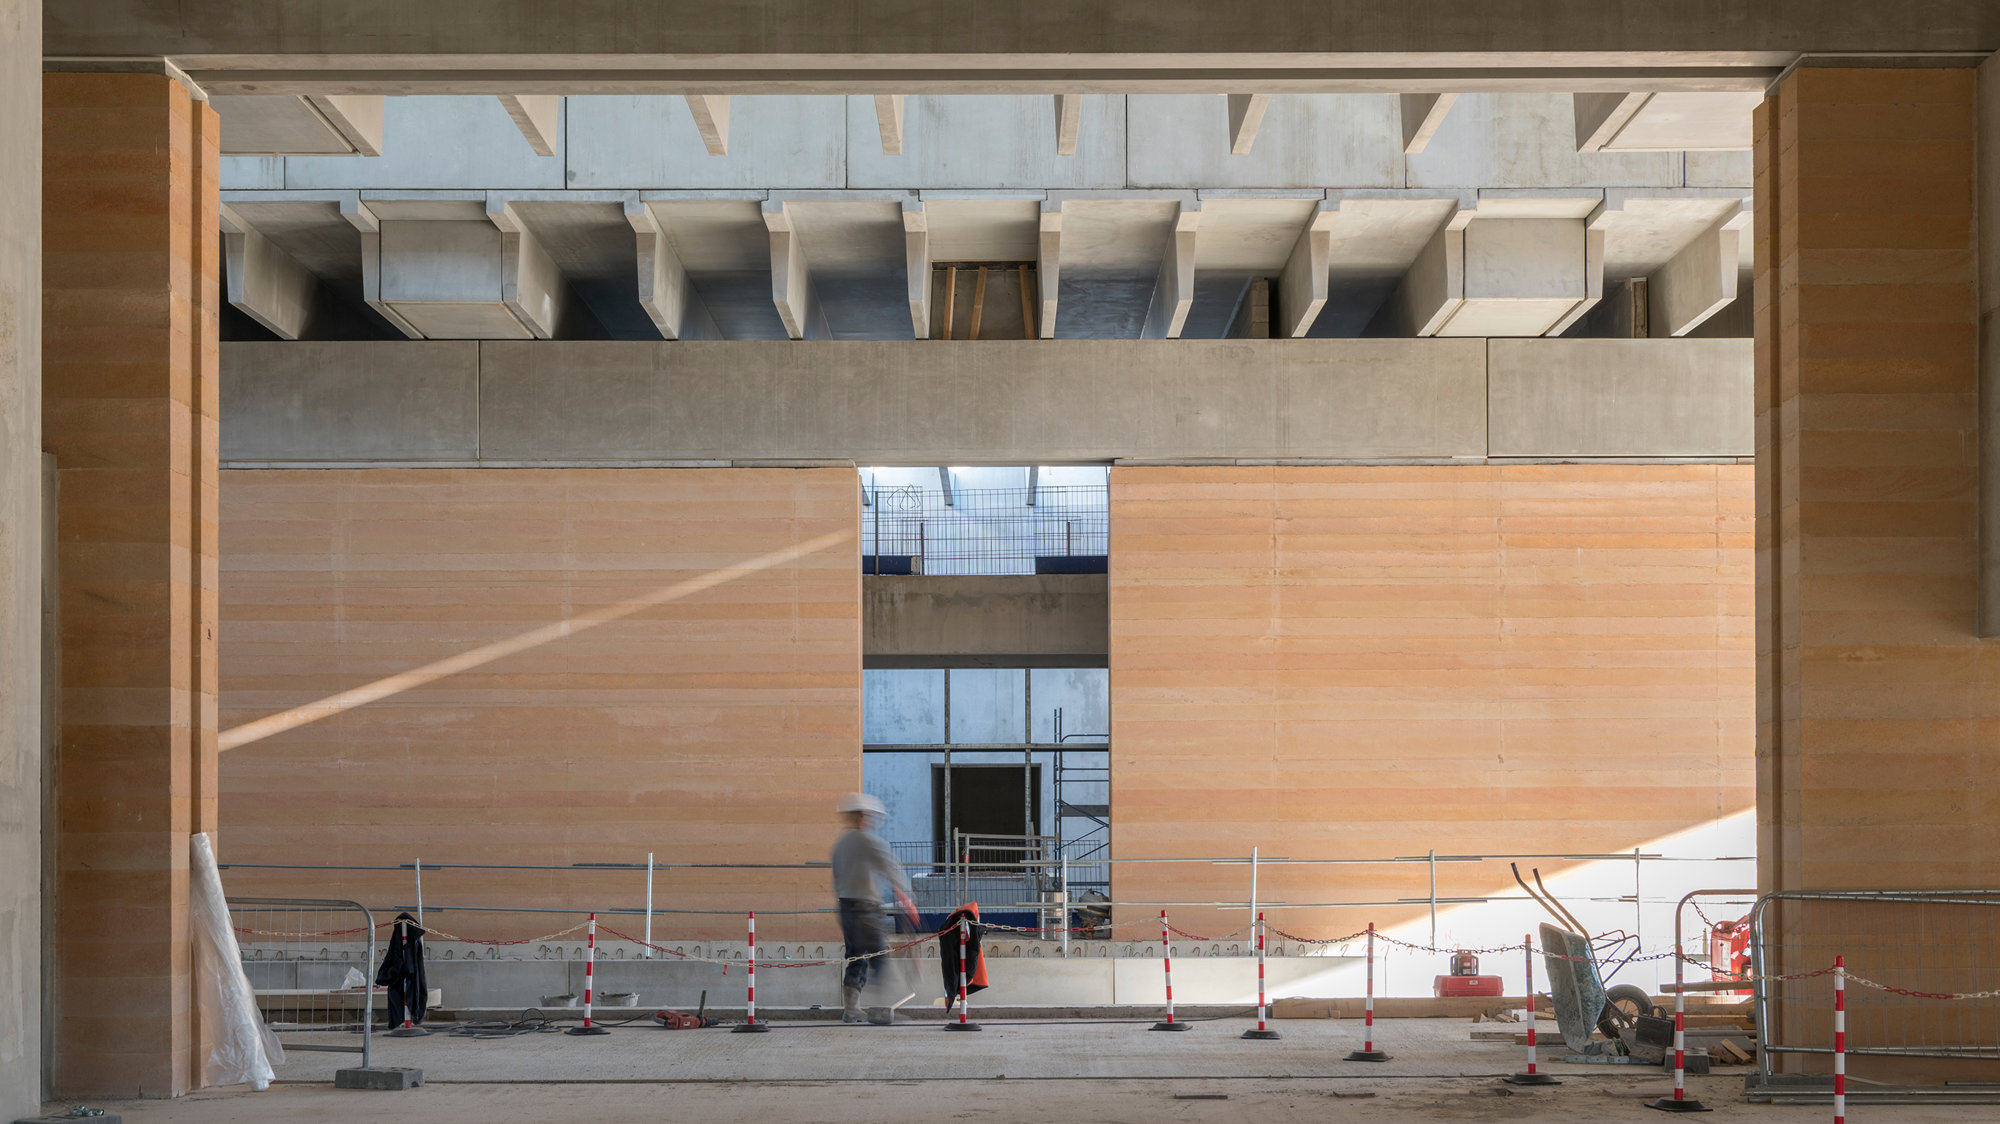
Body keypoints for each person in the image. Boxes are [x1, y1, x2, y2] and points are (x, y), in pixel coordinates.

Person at [831, 792, 918, 1024]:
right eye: (870, 815)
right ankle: (887, 1008)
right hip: (865, 909)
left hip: (845, 907)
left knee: (857, 957)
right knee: (880, 956)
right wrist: (906, 897)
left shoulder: (841, 845)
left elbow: (838, 877)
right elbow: (890, 867)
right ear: (862, 816)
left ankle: (852, 1009)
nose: (873, 820)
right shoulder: (868, 841)